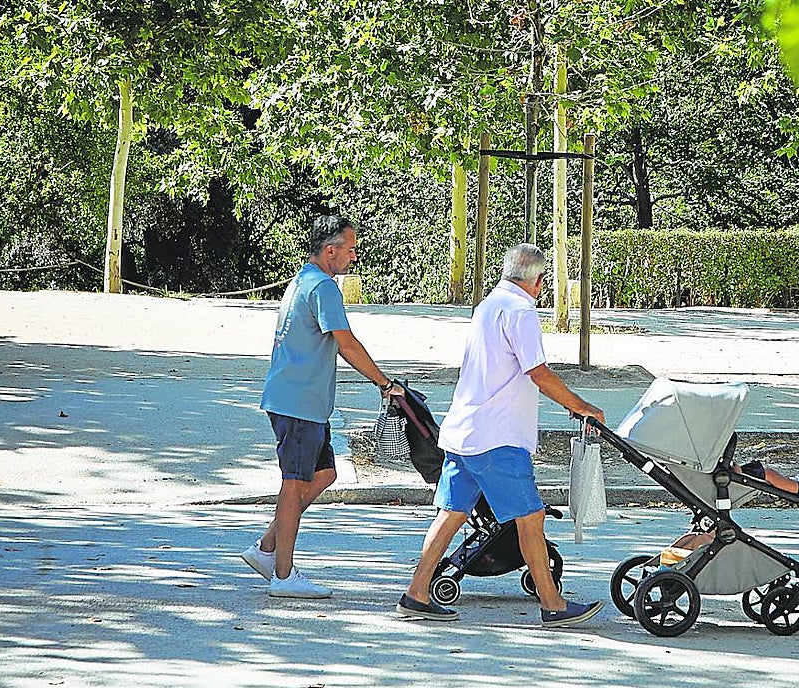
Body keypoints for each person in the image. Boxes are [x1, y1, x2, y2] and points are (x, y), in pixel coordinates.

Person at [396, 243, 607, 628]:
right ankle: (553, 603)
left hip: (464, 430)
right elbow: (538, 373)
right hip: (497, 435)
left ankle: (417, 591)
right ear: (539, 281)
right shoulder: (522, 311)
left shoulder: (489, 304)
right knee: (531, 516)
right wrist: (581, 406)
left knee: (451, 513)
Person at [239, 216, 403, 598]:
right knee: (293, 485)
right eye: (350, 248)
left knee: (324, 474)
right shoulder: (324, 287)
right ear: (330, 250)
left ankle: (266, 549)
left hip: (303, 401)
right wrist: (384, 382)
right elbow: (346, 343)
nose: (354, 255)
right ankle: (283, 576)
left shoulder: (302, 280)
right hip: (297, 402)